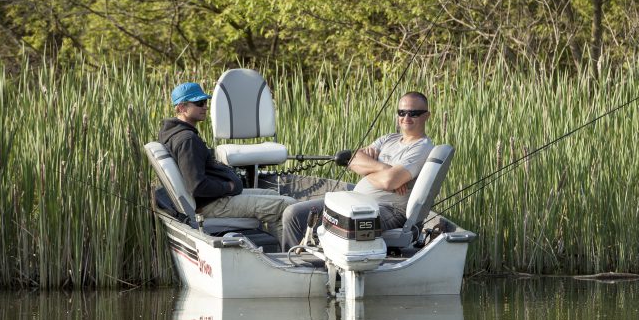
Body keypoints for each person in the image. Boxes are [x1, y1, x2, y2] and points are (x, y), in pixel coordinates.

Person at [281, 91, 434, 251]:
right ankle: (296, 264)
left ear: (426, 116)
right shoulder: (388, 139)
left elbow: (390, 181)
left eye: (414, 113)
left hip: (388, 209)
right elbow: (353, 159)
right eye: (402, 112)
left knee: (347, 220)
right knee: (293, 214)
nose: (406, 118)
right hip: (355, 201)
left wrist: (374, 169)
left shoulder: (422, 147)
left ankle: (322, 265)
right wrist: (385, 169)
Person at [159, 82, 296, 241]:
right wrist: (228, 186)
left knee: (272, 194)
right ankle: (290, 258)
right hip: (211, 204)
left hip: (212, 199)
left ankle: (277, 249)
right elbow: (196, 186)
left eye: (205, 102)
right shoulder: (187, 140)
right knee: (288, 205)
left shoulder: (178, 134)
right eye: (199, 103)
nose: (205, 107)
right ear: (182, 108)